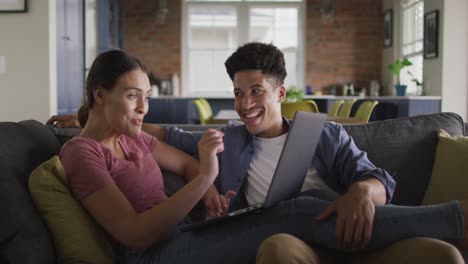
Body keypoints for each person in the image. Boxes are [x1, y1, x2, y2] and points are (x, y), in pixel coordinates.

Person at [57, 47, 467, 264]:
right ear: (100, 95)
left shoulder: (326, 135)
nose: (144, 107)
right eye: (134, 96)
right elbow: (136, 234)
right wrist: (205, 180)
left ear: (280, 94)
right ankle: (457, 217)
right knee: (294, 210)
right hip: (157, 252)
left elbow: (168, 148)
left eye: (146, 97)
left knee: (321, 202)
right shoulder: (84, 153)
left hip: (185, 236)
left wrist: (363, 190)